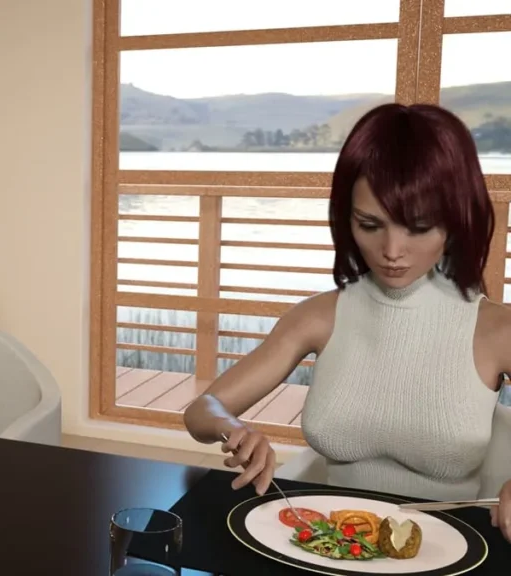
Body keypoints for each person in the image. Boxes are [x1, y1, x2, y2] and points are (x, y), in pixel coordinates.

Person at [182, 103, 511, 542]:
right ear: (346, 219)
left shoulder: (496, 330)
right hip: (332, 546)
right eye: (370, 225)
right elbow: (202, 411)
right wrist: (234, 429)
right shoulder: (319, 316)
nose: (392, 250)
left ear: (455, 221)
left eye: (418, 227)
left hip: (452, 553)